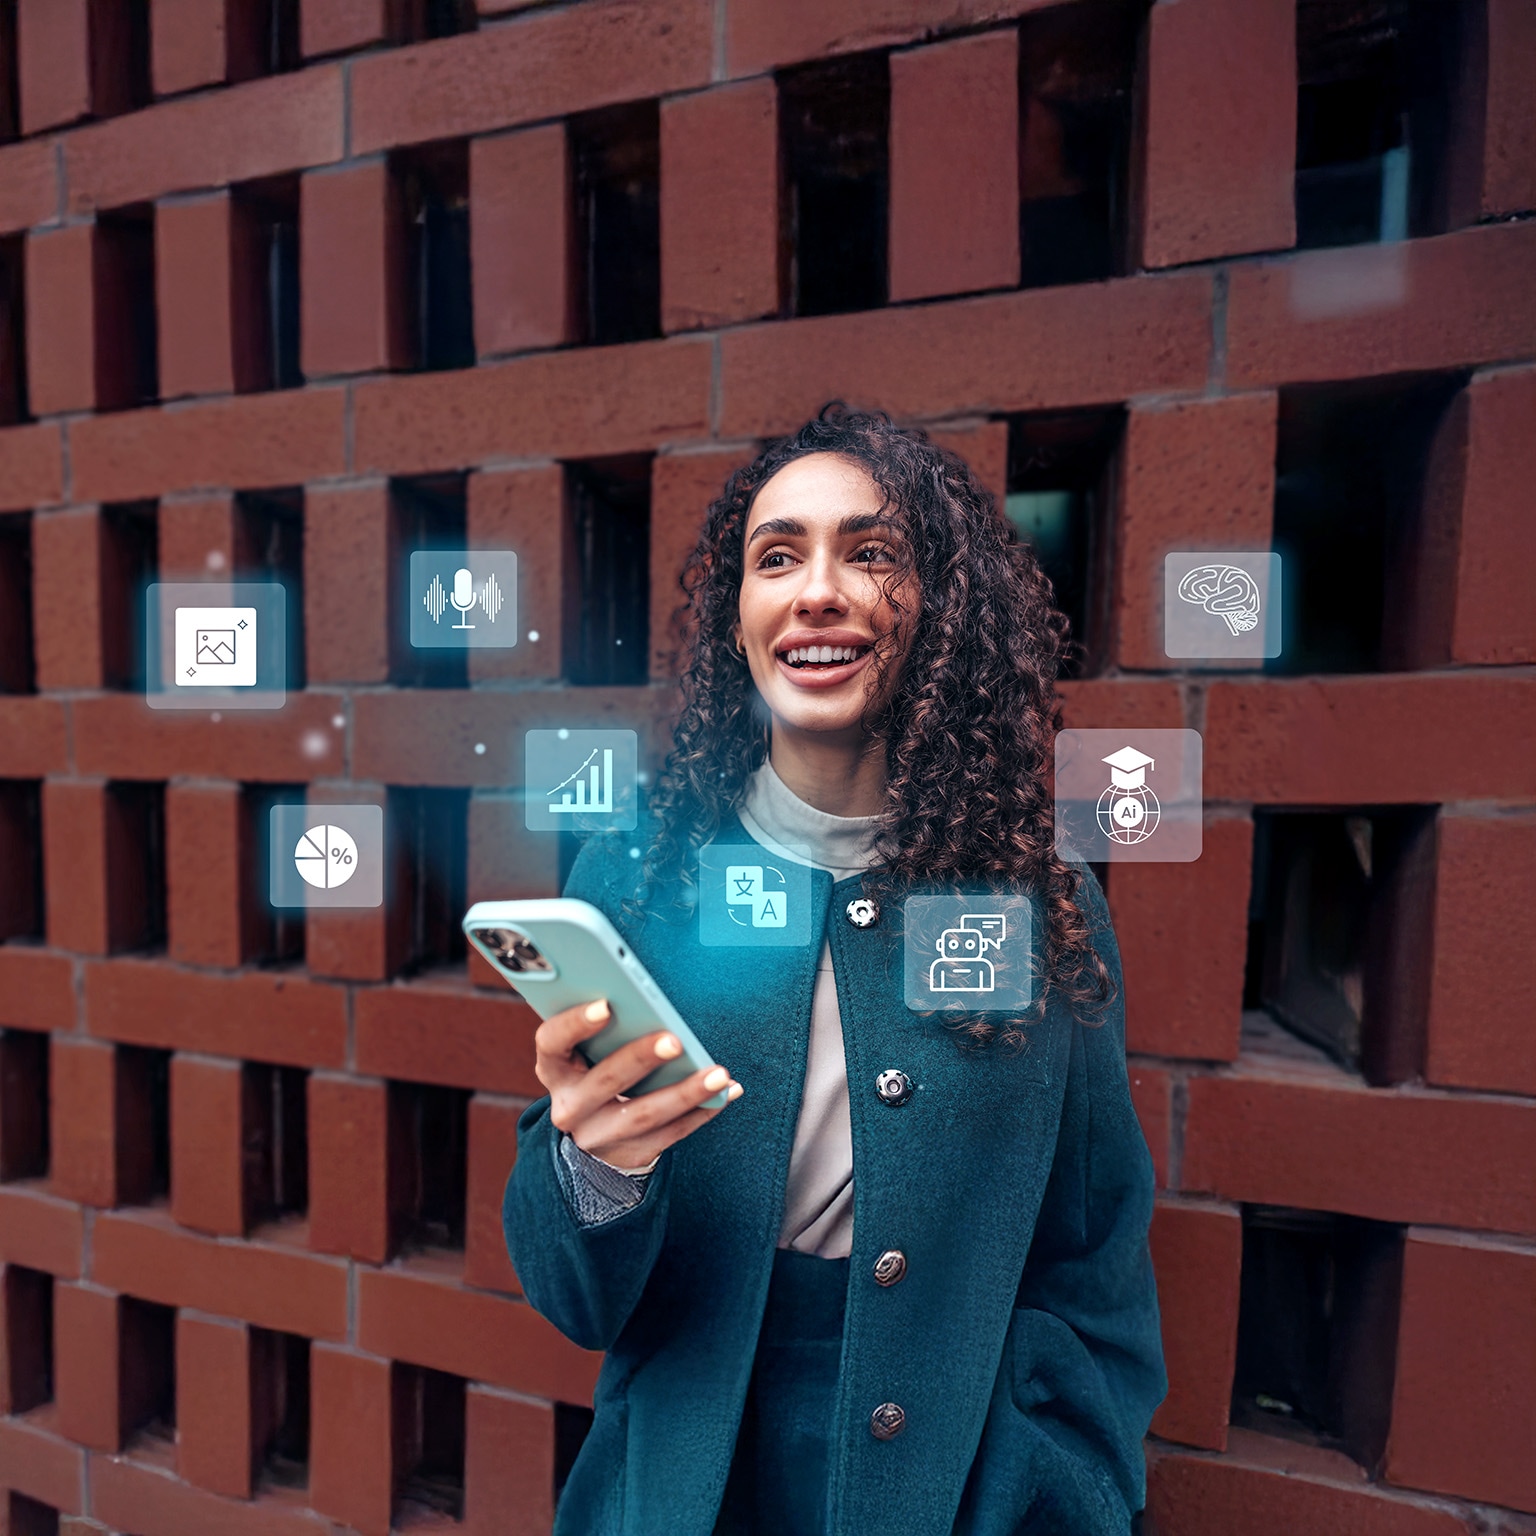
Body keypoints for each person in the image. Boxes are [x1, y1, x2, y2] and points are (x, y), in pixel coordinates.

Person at [502, 405, 1166, 1535]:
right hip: (684, 1481)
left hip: (950, 1488)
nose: (816, 590)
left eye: (870, 553)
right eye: (776, 557)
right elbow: (576, 1300)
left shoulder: (1033, 897)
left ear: (938, 610)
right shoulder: (643, 874)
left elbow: (1093, 1255)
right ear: (739, 618)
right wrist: (594, 1168)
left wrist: (1062, 1488)